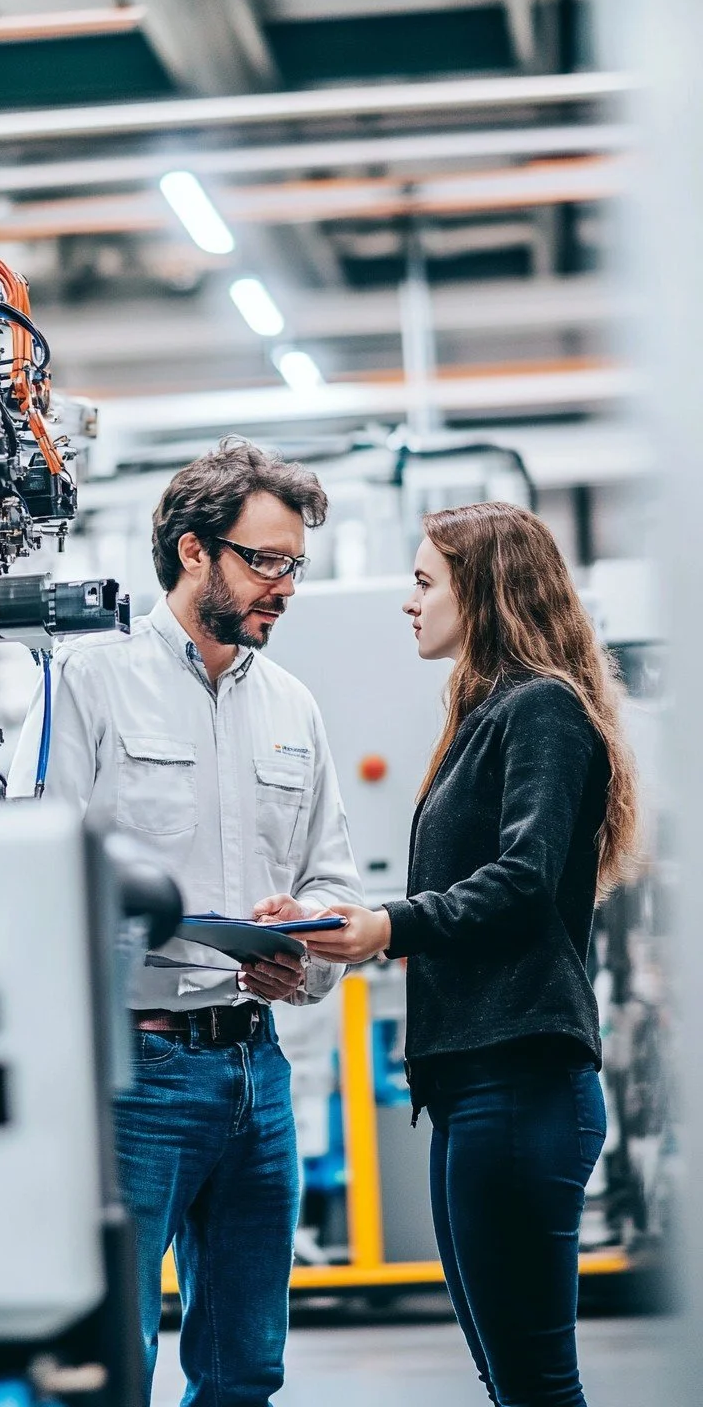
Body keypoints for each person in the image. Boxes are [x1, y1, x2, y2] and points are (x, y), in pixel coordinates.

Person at [7, 438, 361, 1407]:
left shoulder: (294, 706)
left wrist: (306, 949)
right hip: (136, 1076)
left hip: (258, 1066)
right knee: (112, 1368)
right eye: (267, 560)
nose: (286, 586)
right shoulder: (87, 684)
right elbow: (36, 873)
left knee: (247, 1370)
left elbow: (333, 872)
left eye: (296, 563)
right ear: (196, 551)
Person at [282, 502, 639, 1407]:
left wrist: (386, 927)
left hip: (520, 1085)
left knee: (535, 1386)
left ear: (483, 591)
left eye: (423, 582)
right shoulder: (489, 714)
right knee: (510, 1380)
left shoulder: (543, 711)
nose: (408, 602)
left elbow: (521, 881)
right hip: (476, 1085)